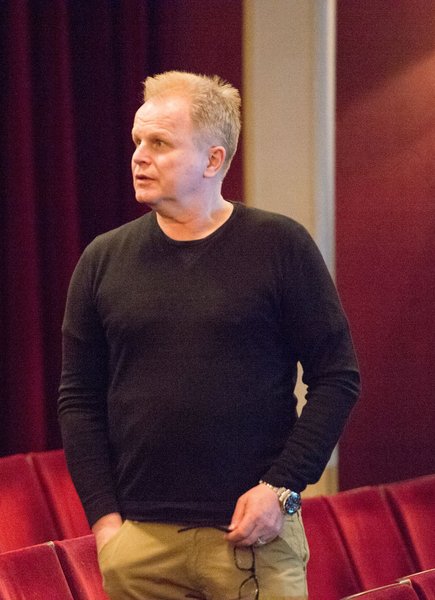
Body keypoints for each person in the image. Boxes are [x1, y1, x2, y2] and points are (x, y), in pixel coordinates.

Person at [58, 71, 360, 600]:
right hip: (140, 547)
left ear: (213, 160)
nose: (139, 156)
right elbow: (78, 400)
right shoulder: (101, 259)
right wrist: (106, 525)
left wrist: (282, 487)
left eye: (160, 143)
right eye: (137, 141)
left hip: (254, 537)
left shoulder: (279, 245)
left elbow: (337, 378)